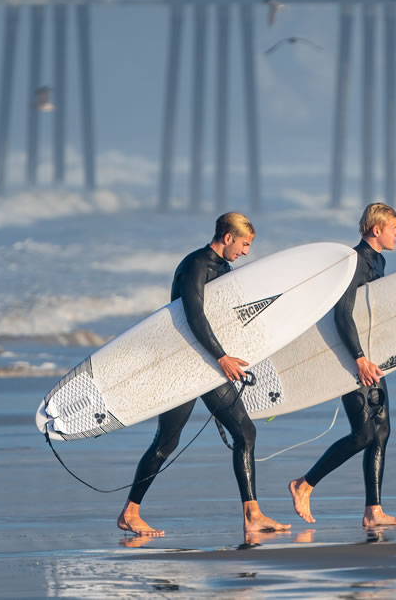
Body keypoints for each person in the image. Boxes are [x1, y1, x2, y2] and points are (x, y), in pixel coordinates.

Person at [117, 212, 291, 537]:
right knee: (166, 443)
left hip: (210, 366)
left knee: (245, 433)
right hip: (182, 366)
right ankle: (130, 512)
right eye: (244, 244)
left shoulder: (224, 270)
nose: (245, 252)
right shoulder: (195, 266)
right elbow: (194, 317)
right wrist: (222, 357)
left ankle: (252, 513)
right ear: (228, 237)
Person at [288, 203, 396, 528]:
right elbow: (341, 314)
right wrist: (357, 358)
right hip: (350, 358)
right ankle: (304, 484)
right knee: (363, 433)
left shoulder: (379, 260)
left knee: (382, 432)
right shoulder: (354, 263)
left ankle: (374, 511)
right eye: (394, 228)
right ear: (376, 230)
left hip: (369, 358)